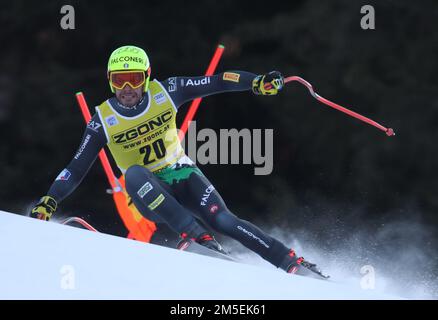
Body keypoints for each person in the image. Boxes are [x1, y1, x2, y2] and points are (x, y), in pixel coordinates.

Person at [30, 45, 326, 277]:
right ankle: (198, 238)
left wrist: (257, 82)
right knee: (132, 173)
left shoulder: (168, 91)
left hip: (183, 175)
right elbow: (75, 167)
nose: (127, 88)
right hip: (148, 194)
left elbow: (219, 80)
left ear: (147, 77)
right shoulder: (103, 120)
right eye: (120, 81)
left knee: (224, 219)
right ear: (110, 82)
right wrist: (50, 199)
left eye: (134, 79)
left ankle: (290, 261)